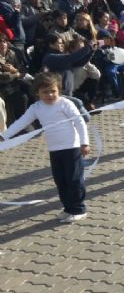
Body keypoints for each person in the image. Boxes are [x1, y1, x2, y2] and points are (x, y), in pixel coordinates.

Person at [0, 72, 91, 223]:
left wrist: (84, 143)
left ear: (59, 90)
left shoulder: (65, 104)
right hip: (54, 149)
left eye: (53, 91)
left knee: (73, 179)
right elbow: (21, 122)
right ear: (37, 93)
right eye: (45, 92)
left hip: (72, 147)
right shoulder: (36, 107)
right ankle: (68, 208)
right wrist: (4, 135)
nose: (50, 95)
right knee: (60, 180)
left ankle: (78, 209)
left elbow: (79, 122)